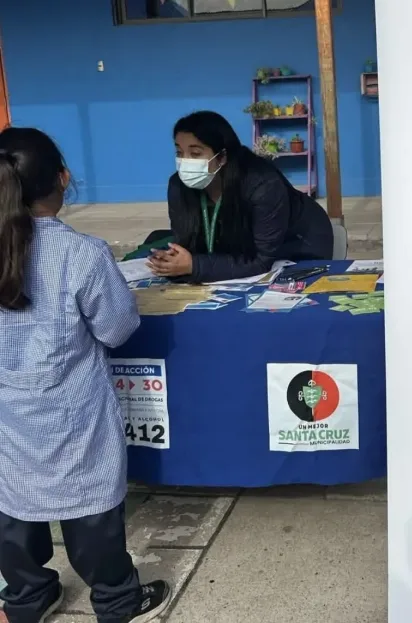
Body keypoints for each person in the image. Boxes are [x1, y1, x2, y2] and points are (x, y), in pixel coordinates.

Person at [0, 127, 170, 623]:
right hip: (72, 414)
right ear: (63, 178)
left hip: (8, 418)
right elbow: (117, 329)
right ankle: (116, 600)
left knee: (13, 510)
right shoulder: (82, 254)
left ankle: (27, 599)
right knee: (91, 509)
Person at [148, 111, 334, 283]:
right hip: (241, 254)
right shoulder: (178, 186)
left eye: (195, 153)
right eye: (179, 153)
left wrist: (194, 265)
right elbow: (187, 245)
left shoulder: (263, 185)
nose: (185, 162)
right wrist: (173, 261)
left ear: (222, 158)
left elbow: (261, 261)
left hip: (297, 248)